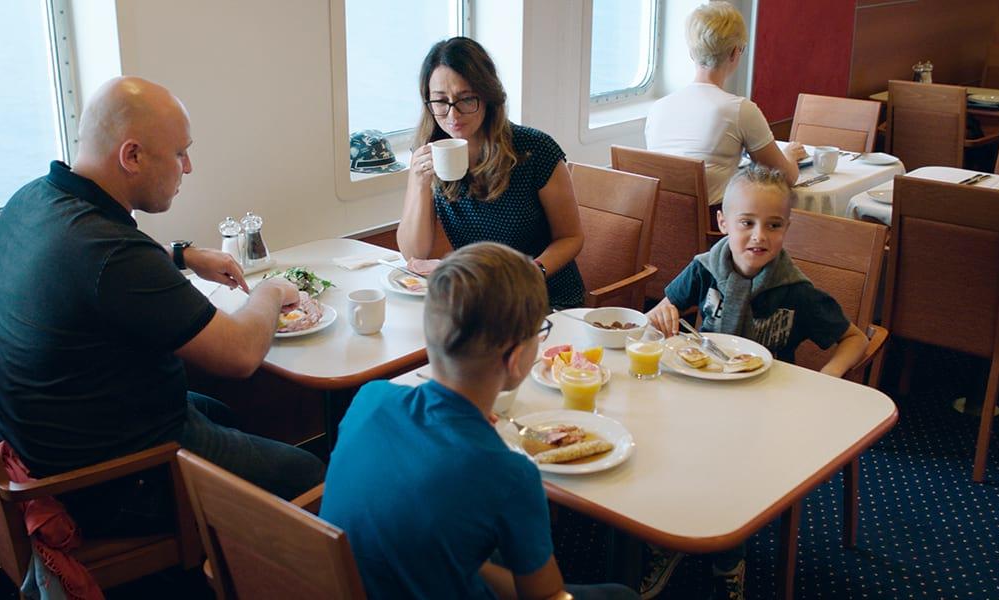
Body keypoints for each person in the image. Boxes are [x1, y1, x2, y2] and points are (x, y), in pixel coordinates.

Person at [0, 76, 324, 537]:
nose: (188, 167)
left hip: (51, 442)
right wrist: (274, 290)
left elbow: (94, 269)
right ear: (132, 156)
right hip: (112, 482)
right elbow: (240, 354)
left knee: (221, 414)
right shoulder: (113, 255)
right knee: (313, 476)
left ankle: (224, 551)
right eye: (180, 153)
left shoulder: (34, 201)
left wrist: (182, 256)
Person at [321, 242, 638, 600]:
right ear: (517, 359)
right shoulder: (511, 475)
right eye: (540, 332)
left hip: (357, 582)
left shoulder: (370, 399)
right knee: (621, 595)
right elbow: (545, 596)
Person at [642, 165, 869, 599]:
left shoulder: (795, 290)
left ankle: (729, 559)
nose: (758, 236)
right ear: (723, 223)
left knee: (730, 470)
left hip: (764, 410)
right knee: (660, 447)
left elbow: (854, 338)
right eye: (746, 222)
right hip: (699, 394)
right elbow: (665, 307)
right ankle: (667, 539)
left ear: (787, 228)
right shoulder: (704, 269)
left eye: (774, 225)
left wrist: (830, 373)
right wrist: (663, 313)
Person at [397, 36, 586, 309]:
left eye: (466, 99)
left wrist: (531, 271)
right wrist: (418, 182)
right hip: (480, 297)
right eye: (440, 101)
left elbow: (571, 237)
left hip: (543, 299)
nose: (453, 114)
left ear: (487, 96)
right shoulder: (429, 154)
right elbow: (414, 254)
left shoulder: (535, 150)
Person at [645, 0, 806, 210]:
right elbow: (784, 177)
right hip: (716, 229)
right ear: (734, 53)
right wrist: (791, 155)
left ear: (692, 52)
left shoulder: (658, 108)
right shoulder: (739, 110)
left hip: (662, 227)